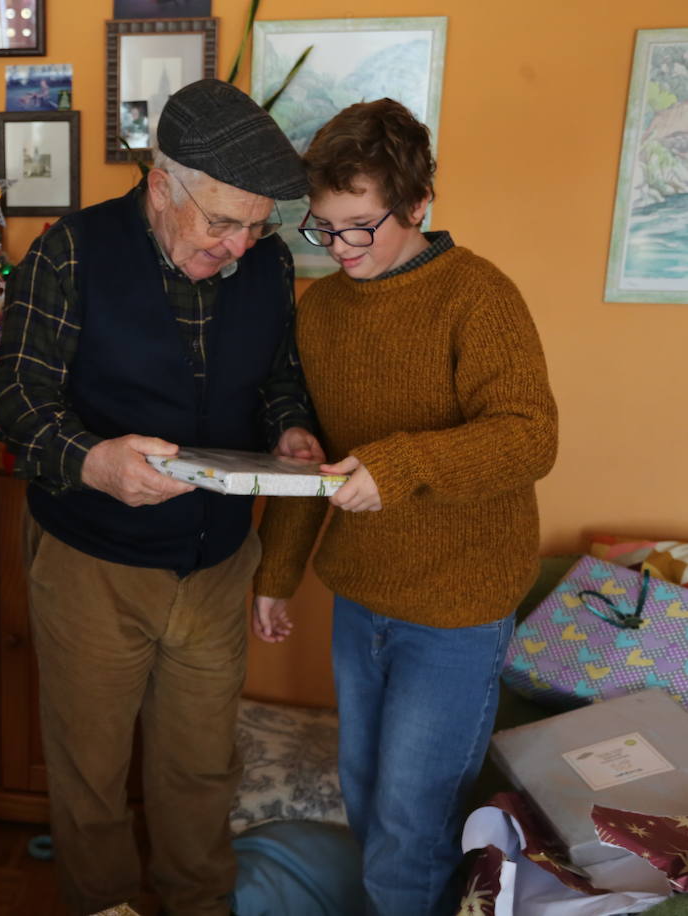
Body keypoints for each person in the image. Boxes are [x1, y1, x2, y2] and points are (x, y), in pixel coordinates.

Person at [0, 79, 323, 915]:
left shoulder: (268, 263)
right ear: (162, 183)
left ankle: (198, 906)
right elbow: (16, 396)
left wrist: (291, 430)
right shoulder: (71, 251)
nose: (242, 244)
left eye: (258, 224)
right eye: (223, 222)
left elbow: (280, 375)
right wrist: (95, 461)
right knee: (91, 772)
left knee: (202, 766)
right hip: (92, 562)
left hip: (213, 561)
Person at [251, 98, 558, 916]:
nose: (341, 248)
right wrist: (276, 575)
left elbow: (530, 437)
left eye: (362, 226)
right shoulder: (321, 311)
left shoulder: (477, 296)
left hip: (457, 609)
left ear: (418, 204)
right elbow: (309, 452)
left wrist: (403, 463)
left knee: (411, 823)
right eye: (324, 227)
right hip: (362, 601)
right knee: (366, 800)